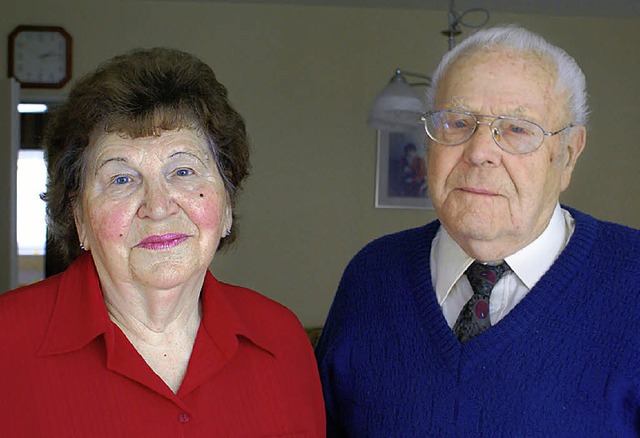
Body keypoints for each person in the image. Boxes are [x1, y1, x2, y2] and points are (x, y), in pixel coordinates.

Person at [315, 25, 640, 436]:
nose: (480, 152)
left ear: (569, 155)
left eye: (518, 129)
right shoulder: (372, 274)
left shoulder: (633, 280)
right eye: (457, 122)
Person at [0, 47, 325, 436]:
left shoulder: (281, 339)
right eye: (121, 179)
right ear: (79, 218)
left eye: (183, 170)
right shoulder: (8, 341)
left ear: (225, 206)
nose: (158, 207)